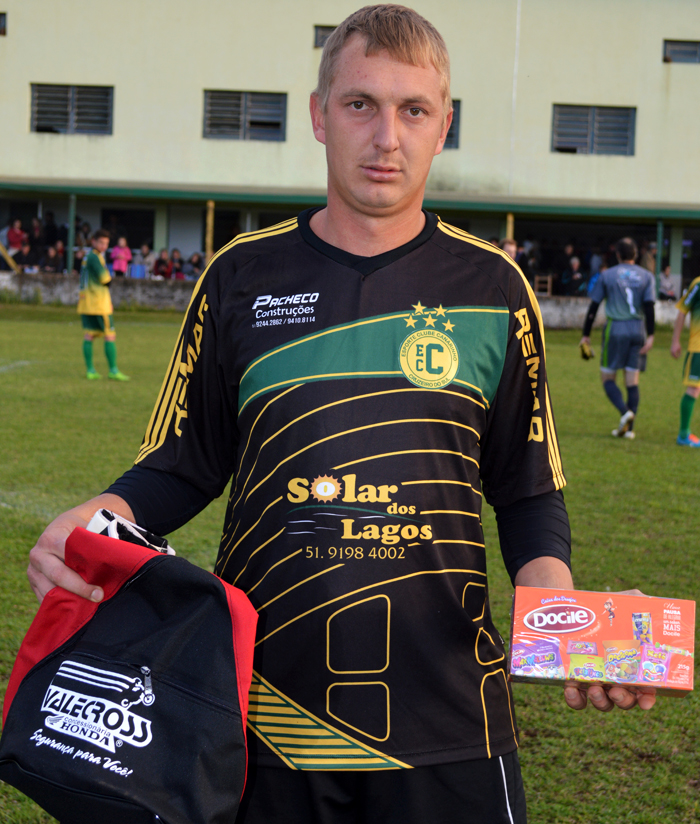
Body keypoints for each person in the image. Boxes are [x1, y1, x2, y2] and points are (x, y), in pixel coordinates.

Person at [27, 7, 654, 824]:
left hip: (451, 722)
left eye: (413, 110)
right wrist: (93, 519)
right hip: (262, 716)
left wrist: (570, 628)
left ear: (443, 126)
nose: (386, 135)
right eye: (361, 104)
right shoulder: (239, 275)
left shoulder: (494, 289)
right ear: (319, 115)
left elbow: (528, 494)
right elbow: (181, 463)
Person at [580, 237, 655, 440]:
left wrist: (586, 334)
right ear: (636, 255)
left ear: (617, 255)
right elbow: (649, 307)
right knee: (632, 380)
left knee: (607, 378)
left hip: (616, 329)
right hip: (638, 329)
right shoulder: (647, 276)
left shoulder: (608, 275)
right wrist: (652, 335)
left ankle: (625, 413)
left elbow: (593, 307)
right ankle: (629, 430)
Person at [77, 229, 129, 381]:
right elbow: (106, 279)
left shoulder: (89, 256)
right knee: (110, 335)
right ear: (93, 241)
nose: (104, 246)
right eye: (101, 242)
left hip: (86, 302)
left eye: (106, 243)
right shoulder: (94, 257)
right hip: (98, 304)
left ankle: (90, 370)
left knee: (89, 334)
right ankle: (113, 370)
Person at [670, 275, 700, 446]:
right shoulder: (698, 284)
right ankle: (683, 434)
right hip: (698, 349)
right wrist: (675, 341)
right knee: (694, 389)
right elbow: (682, 311)